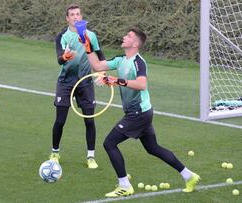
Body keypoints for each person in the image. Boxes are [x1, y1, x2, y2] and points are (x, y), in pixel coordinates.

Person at [80, 27, 200, 197]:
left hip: (138, 113)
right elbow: (97, 65)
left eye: (128, 36)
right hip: (141, 112)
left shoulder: (138, 62)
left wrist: (116, 80)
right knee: (153, 148)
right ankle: (189, 175)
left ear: (135, 43)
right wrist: (87, 47)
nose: (123, 36)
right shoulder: (121, 59)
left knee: (109, 143)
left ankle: (124, 185)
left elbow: (141, 84)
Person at [49, 3, 106, 169]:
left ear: (81, 17)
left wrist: (101, 73)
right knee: (60, 120)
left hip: (85, 83)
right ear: (67, 19)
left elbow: (100, 57)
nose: (75, 17)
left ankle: (91, 157)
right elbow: (59, 58)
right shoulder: (62, 37)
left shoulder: (91, 36)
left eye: (78, 14)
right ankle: (55, 153)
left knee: (89, 120)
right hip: (66, 83)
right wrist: (65, 57)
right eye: (72, 15)